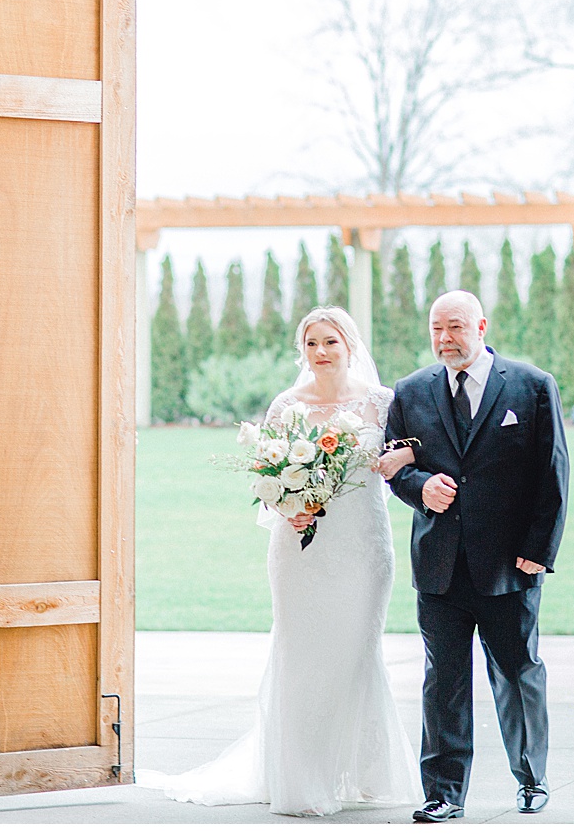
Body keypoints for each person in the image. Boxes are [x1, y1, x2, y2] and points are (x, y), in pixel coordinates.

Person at [140, 306, 423, 817]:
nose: (321, 351)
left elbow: (408, 454)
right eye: (312, 342)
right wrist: (288, 507)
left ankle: (363, 771)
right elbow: (267, 478)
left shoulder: (383, 403)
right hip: (299, 549)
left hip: (363, 545)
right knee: (302, 650)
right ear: (303, 349)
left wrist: (402, 458)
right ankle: (300, 774)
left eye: (330, 341)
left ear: (350, 344)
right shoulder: (287, 406)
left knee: (359, 650)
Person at [384, 290, 570, 822]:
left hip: (511, 564)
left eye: (456, 327)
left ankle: (532, 777)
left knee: (517, 671)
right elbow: (394, 464)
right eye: (437, 329)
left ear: (482, 326)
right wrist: (421, 488)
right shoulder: (411, 391)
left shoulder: (533, 386)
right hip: (439, 565)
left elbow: (552, 473)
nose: (445, 339)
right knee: (443, 681)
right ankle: (443, 792)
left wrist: (539, 550)